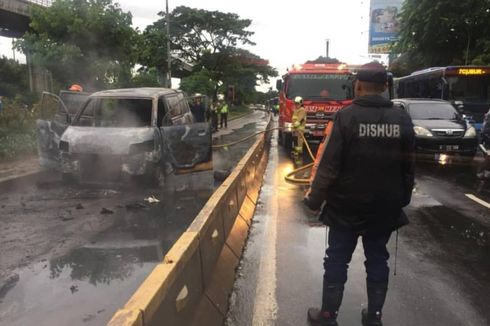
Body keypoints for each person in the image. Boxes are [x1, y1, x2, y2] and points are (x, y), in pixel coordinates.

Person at [303, 62, 415, 326]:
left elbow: (329, 166)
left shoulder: (346, 117)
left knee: (337, 258)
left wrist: (314, 199)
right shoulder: (402, 118)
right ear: (385, 87)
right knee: (378, 257)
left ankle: (328, 315)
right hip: (385, 206)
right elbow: (409, 167)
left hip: (345, 205)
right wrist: (402, 199)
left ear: (358, 85)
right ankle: (374, 317)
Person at [292, 96, 307, 165]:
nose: (296, 105)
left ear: (301, 103)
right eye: (295, 103)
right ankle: (296, 152)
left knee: (299, 141)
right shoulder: (296, 110)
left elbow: (300, 120)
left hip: (299, 129)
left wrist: (295, 126)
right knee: (295, 140)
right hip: (295, 129)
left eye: (297, 103)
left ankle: (299, 153)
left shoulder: (302, 110)